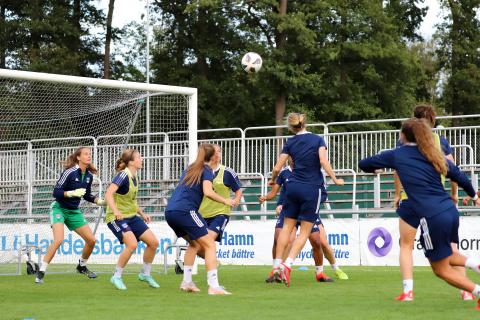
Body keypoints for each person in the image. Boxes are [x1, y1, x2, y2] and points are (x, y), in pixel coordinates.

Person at [359, 118, 480, 310]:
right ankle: (476, 265)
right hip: (450, 211)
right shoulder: (433, 154)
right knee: (447, 254)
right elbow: (459, 176)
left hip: (431, 216)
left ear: (404, 136)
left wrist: (376, 168)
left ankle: (477, 291)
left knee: (440, 269)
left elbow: (363, 163)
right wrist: (474, 195)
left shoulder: (397, 155)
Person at [393, 105, 470, 301]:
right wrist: (453, 195)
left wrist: (397, 193)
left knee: (406, 245)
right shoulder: (440, 141)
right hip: (436, 200)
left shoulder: (404, 142)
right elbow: (453, 170)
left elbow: (397, 169)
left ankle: (408, 291)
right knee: (451, 248)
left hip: (410, 199)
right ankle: (466, 291)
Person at [268, 113, 344, 287]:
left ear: (291, 126)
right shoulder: (318, 139)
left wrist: (273, 179)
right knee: (304, 232)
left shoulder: (290, 142)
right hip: (311, 188)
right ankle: (287, 265)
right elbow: (323, 161)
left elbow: (277, 167)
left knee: (287, 228)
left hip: (293, 187)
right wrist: (335, 179)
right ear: (305, 123)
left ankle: (277, 265)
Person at [260, 159, 348, 283]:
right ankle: (277, 270)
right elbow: (277, 192)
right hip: (290, 210)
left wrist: (312, 201)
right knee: (280, 237)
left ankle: (321, 272)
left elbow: (323, 194)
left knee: (318, 241)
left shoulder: (314, 172)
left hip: (307, 209)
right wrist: (274, 202)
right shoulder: (284, 173)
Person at [165, 143, 235, 295]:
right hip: (185, 211)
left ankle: (187, 282)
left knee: (194, 244)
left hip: (170, 211)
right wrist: (226, 201)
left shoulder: (190, 168)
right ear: (214, 156)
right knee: (210, 245)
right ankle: (214, 286)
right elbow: (208, 192)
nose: (219, 153)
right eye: (218, 152)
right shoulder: (207, 169)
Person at [35, 147, 104, 284]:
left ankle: (81, 266)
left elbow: (88, 195)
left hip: (74, 211)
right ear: (78, 157)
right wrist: (70, 193)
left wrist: (99, 201)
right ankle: (41, 272)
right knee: (58, 240)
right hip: (59, 209)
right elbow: (56, 192)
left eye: (90, 154)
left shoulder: (89, 176)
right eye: (86, 154)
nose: (89, 156)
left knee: (92, 241)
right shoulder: (69, 172)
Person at [181, 144, 242, 290]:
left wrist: (235, 201)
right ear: (210, 154)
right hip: (200, 214)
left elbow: (238, 189)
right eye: (217, 151)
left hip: (220, 213)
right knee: (197, 245)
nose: (219, 153)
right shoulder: (200, 170)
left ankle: (211, 282)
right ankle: (196, 275)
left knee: (207, 242)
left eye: (220, 151)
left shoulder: (227, 172)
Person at [105, 149, 160, 290]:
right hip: (116, 218)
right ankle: (116, 276)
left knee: (153, 243)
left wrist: (142, 213)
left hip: (131, 216)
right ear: (131, 162)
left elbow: (132, 201)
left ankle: (145, 274)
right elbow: (108, 194)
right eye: (139, 157)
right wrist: (116, 211)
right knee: (132, 244)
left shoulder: (135, 177)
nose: (142, 159)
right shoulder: (122, 176)